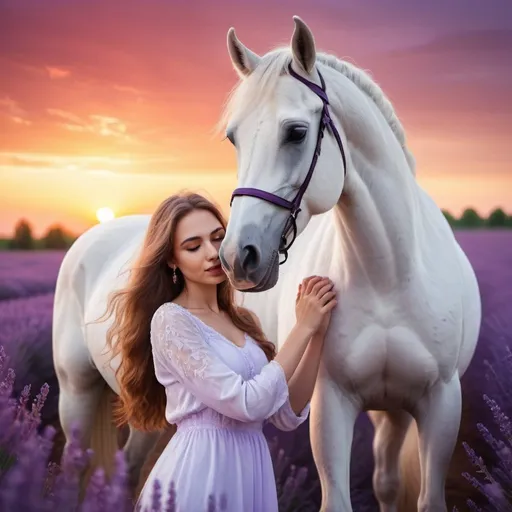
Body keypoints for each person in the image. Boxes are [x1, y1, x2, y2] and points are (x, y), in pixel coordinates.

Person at [104, 192, 337, 512]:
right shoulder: (171, 320)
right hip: (203, 472)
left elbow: (283, 413)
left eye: (218, 238)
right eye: (193, 246)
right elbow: (246, 403)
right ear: (172, 259)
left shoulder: (242, 321)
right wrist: (301, 329)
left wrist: (316, 334)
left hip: (252, 472)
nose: (212, 253)